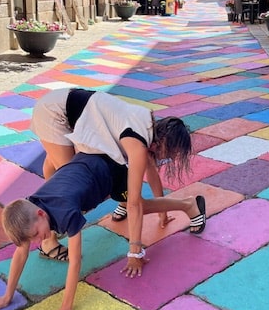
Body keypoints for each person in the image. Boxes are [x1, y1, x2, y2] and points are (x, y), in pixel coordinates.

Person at [0, 152, 207, 310]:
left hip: (109, 172)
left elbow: (76, 261)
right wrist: (7, 295)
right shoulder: (30, 210)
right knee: (129, 205)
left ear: (40, 214)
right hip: (85, 164)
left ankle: (189, 204)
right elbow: (20, 252)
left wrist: (66, 307)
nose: (39, 241)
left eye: (38, 235)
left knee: (138, 207)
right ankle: (126, 203)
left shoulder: (66, 212)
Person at [28, 88, 195, 261]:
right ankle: (48, 241)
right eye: (169, 155)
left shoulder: (148, 125)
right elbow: (134, 204)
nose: (167, 159)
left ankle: (49, 227)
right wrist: (135, 251)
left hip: (60, 102)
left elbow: (151, 172)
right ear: (161, 145)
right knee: (70, 183)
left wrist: (163, 213)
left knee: (54, 164)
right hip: (54, 113)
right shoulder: (138, 144)